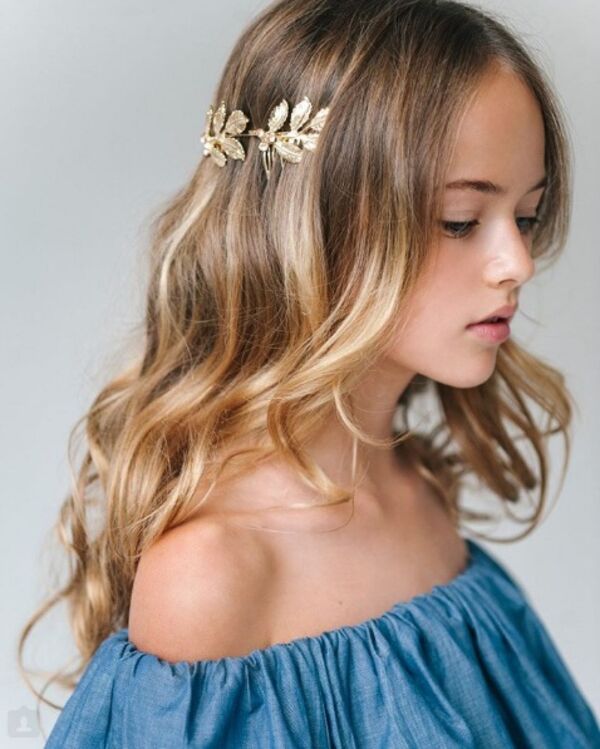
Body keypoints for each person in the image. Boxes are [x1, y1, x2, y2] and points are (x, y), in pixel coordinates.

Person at [20, 0, 600, 746]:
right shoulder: (214, 580)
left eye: (527, 216)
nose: (517, 263)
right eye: (460, 220)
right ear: (315, 227)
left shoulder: (420, 492)